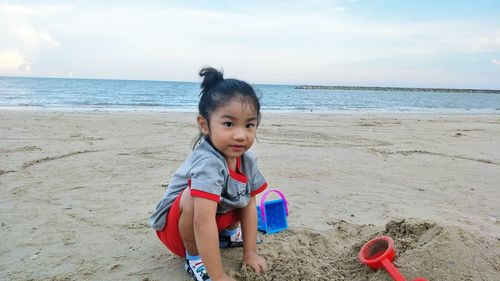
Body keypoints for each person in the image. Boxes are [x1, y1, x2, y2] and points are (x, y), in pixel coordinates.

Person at [149, 67, 268, 281]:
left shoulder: (247, 160)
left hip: (214, 218)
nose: (241, 135)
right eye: (229, 124)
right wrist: (219, 275)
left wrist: (250, 252)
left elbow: (250, 204)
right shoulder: (208, 162)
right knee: (195, 196)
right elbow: (202, 221)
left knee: (239, 193)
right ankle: (195, 259)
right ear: (204, 125)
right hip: (177, 230)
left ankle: (229, 236)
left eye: (249, 125)